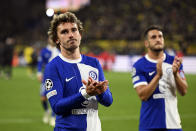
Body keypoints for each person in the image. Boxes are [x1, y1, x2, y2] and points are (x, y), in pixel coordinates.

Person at [43, 12, 113, 131]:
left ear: (80, 34)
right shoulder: (53, 67)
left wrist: (101, 92)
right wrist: (85, 93)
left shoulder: (94, 63)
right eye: (64, 32)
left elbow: (108, 101)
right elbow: (57, 107)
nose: (71, 35)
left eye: (74, 30)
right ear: (56, 39)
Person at [131, 25, 188, 131]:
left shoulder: (175, 61)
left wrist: (175, 75)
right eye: (153, 37)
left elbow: (184, 90)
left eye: (160, 36)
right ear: (146, 43)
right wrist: (158, 75)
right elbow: (143, 95)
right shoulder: (139, 65)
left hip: (173, 125)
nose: (158, 39)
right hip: (149, 125)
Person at [37, 35, 60, 126]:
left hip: (57, 78)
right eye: (50, 38)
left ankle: (53, 117)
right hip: (46, 78)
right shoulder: (44, 51)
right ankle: (47, 111)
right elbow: (40, 63)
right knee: (43, 97)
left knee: (55, 97)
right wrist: (39, 73)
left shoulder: (59, 51)